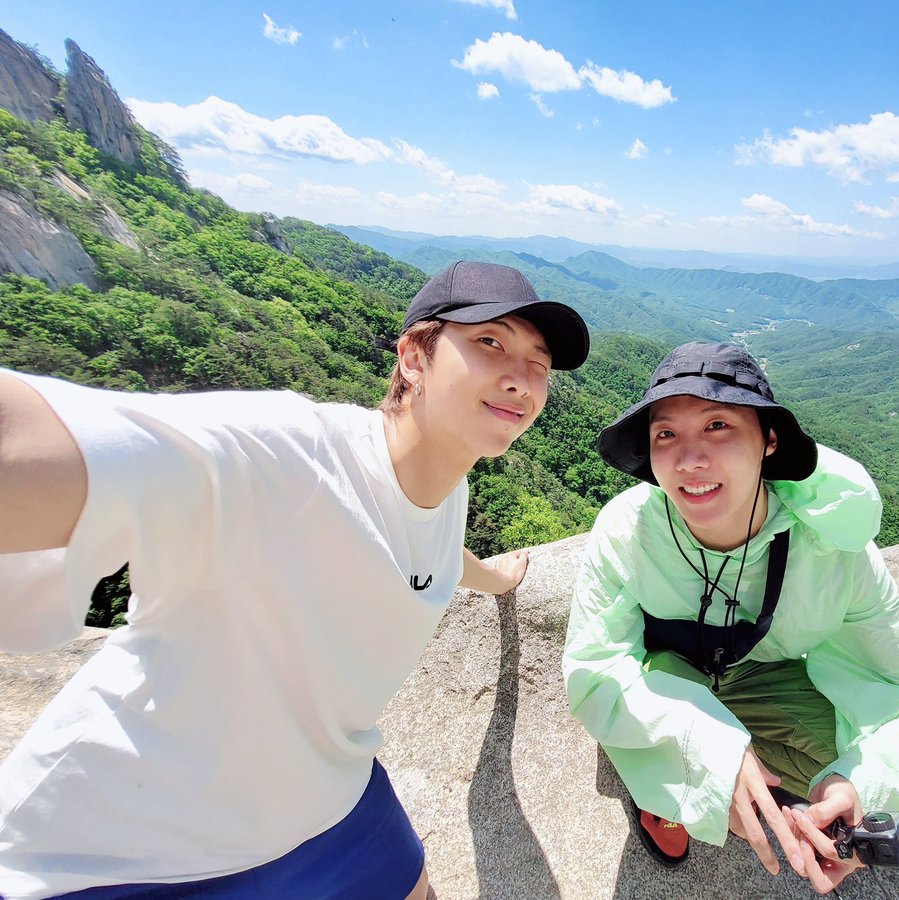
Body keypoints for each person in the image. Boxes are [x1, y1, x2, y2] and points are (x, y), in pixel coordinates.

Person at [0, 261, 589, 899]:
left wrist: (496, 579)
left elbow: (434, 548)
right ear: (414, 357)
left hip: (332, 797)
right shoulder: (286, 455)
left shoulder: (449, 483)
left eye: (539, 362)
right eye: (490, 342)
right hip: (133, 847)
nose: (520, 378)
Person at [562, 342, 899, 894]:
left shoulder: (830, 550)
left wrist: (859, 784)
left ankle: (764, 787)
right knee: (646, 724)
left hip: (763, 675)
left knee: (850, 771)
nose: (689, 459)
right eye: (666, 434)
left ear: (768, 442)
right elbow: (595, 671)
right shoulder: (628, 530)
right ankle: (671, 795)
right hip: (666, 676)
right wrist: (701, 750)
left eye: (719, 425)